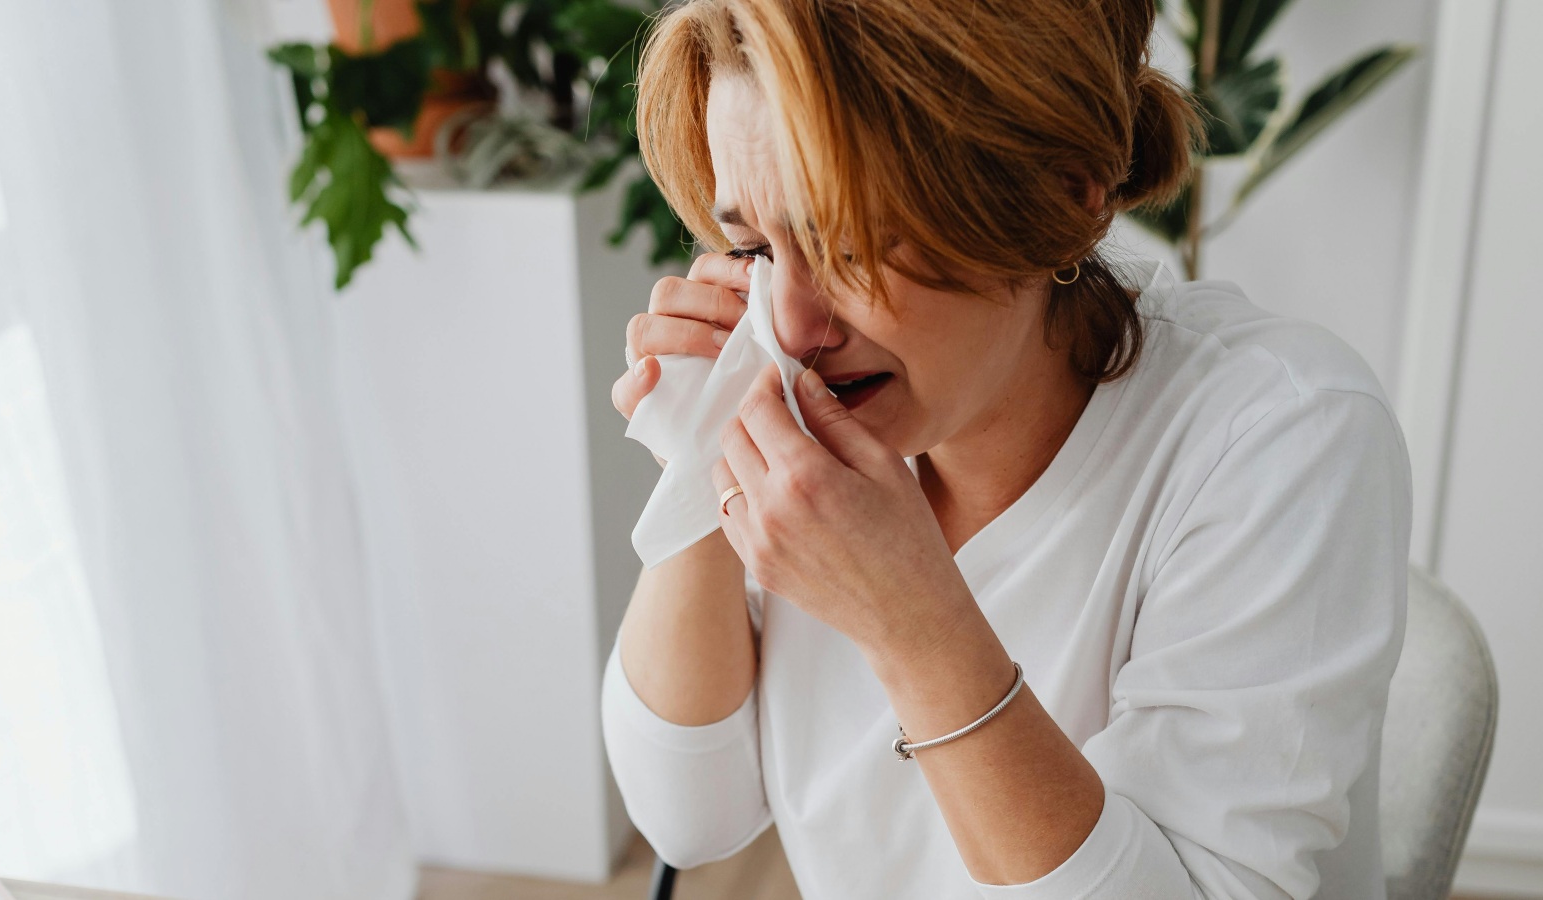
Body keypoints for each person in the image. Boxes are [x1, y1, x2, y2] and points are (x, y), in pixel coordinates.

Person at [602, 0, 1411, 896]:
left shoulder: (1282, 435)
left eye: (852, 242)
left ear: (1063, 195)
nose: (790, 326)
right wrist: (702, 449)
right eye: (754, 247)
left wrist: (912, 622)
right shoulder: (809, 397)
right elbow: (689, 816)